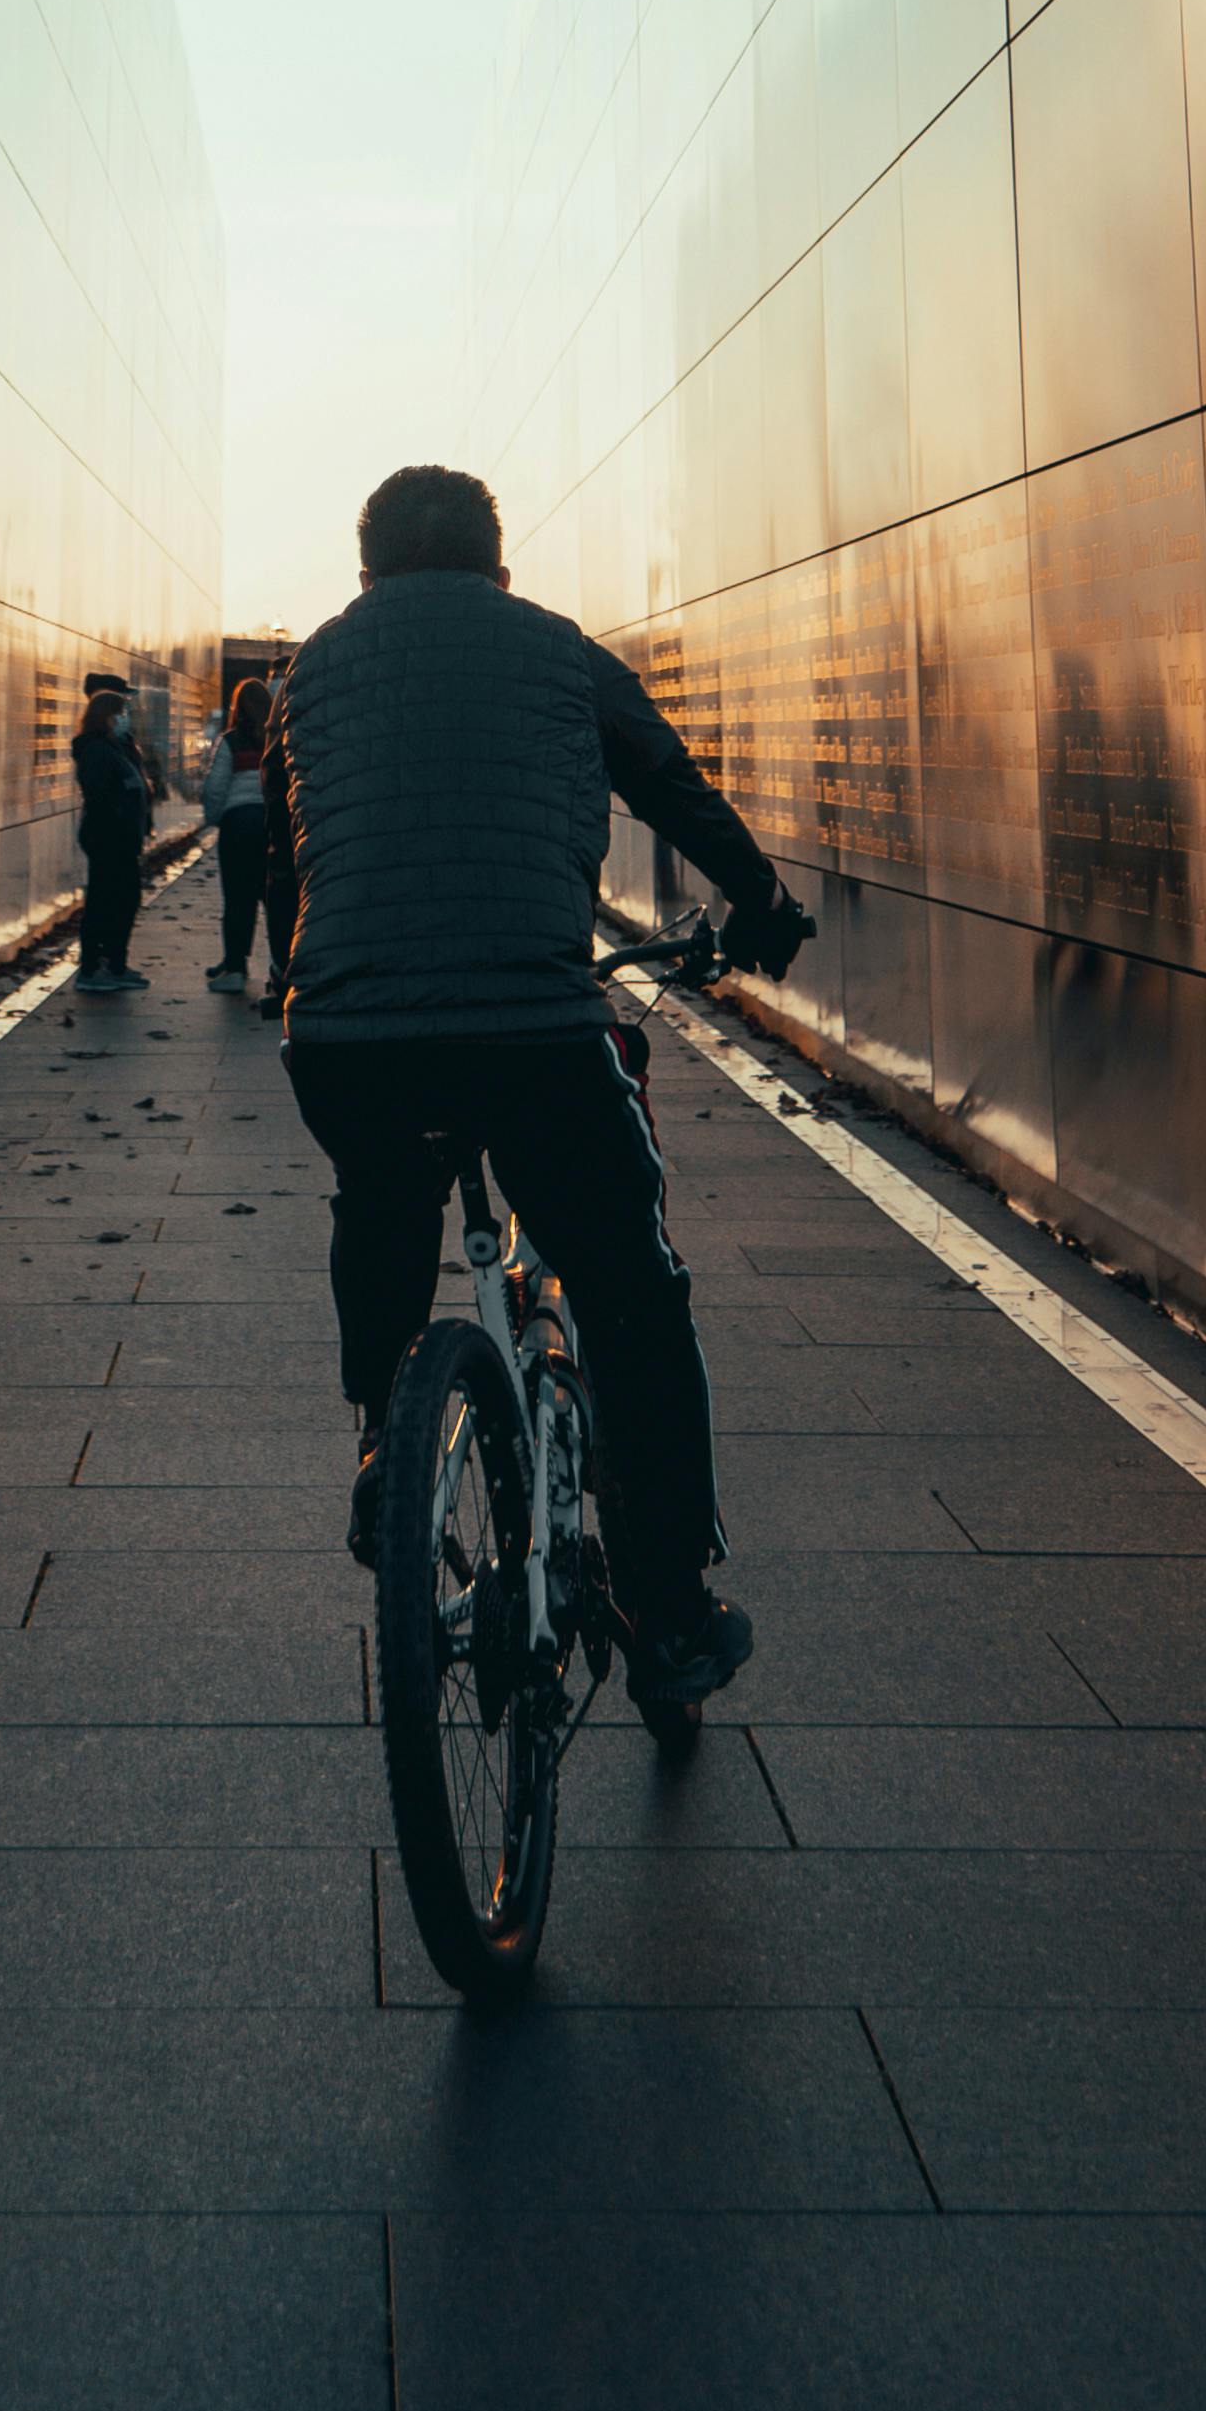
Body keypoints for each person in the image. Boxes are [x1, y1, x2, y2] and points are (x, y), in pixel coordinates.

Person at [268, 459, 811, 1716]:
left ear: (365, 577)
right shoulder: (559, 651)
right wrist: (761, 908)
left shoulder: (314, 670)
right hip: (529, 1030)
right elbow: (670, 785)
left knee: (380, 1190)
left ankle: (381, 1439)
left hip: (345, 1038)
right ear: (497, 569)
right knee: (632, 1293)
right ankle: (669, 1613)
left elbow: (310, 860)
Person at [200, 664, 290, 1000]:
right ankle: (282, 967)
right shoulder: (277, 738)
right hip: (271, 824)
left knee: (237, 898)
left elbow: (215, 787)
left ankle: (235, 968)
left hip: (238, 825)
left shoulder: (231, 741)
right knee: (275, 898)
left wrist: (214, 818)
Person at [70, 667, 158, 996]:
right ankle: (94, 968)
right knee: (105, 902)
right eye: (121, 712)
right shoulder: (96, 749)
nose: (126, 717)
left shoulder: (117, 746)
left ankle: (115, 964)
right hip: (109, 837)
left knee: (123, 900)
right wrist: (123, 816)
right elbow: (101, 794)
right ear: (107, 715)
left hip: (122, 837)